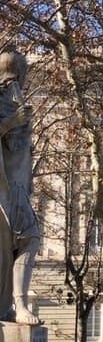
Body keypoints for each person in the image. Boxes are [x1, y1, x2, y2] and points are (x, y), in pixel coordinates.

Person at [0, 50, 41, 325]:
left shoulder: (16, 101)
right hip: (2, 189)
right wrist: (11, 122)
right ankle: (16, 305)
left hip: (17, 187)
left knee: (29, 237)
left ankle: (17, 305)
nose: (13, 81)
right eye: (9, 74)